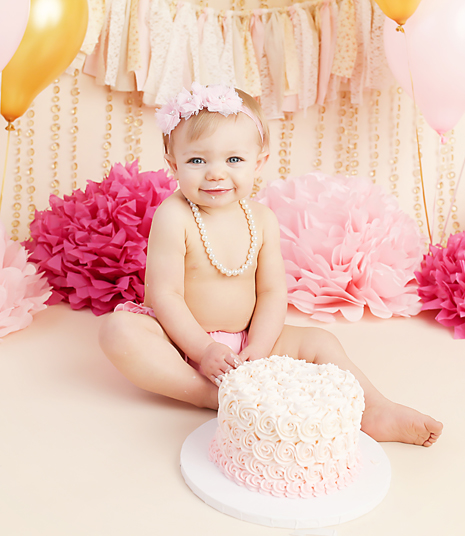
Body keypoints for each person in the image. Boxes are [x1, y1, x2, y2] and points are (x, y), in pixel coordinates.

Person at [99, 84, 442, 447]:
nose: (216, 173)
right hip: (182, 344)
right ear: (173, 165)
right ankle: (210, 397)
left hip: (249, 343)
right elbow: (164, 295)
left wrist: (258, 349)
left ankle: (374, 409)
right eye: (198, 161)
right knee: (118, 331)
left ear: (258, 162)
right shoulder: (174, 215)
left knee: (320, 341)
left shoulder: (261, 219)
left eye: (233, 160)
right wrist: (203, 350)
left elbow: (272, 291)